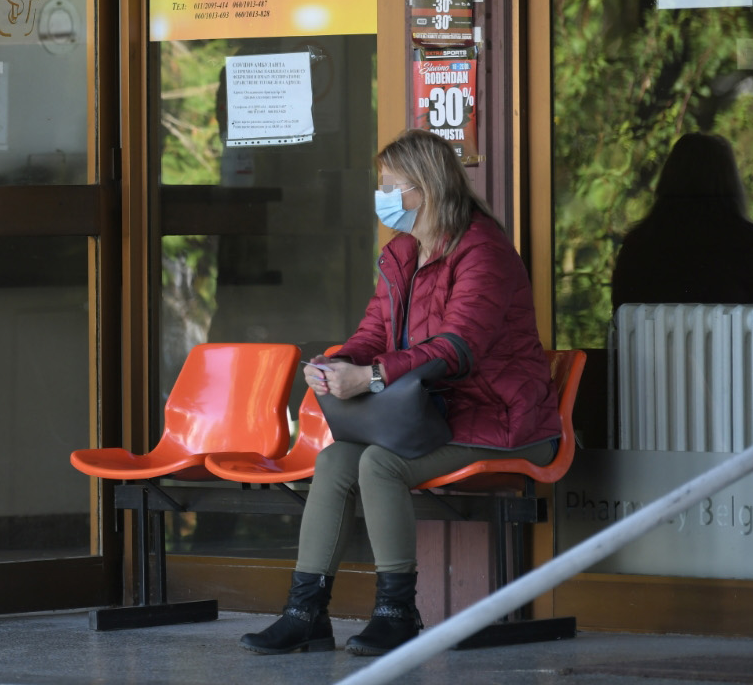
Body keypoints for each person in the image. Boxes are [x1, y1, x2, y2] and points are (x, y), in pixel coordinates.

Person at [240, 129, 560, 657]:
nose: (383, 196)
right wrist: (338, 362)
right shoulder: (403, 252)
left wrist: (369, 379)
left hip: (505, 420)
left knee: (378, 465)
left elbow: (459, 346)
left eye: (392, 185)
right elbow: (373, 333)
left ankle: (396, 612)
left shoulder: (483, 250)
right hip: (438, 416)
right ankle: (305, 612)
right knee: (337, 460)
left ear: (426, 188)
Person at [611, 132, 753, 308]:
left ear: (669, 178)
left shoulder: (636, 245)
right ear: (730, 183)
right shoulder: (747, 243)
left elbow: (619, 310)